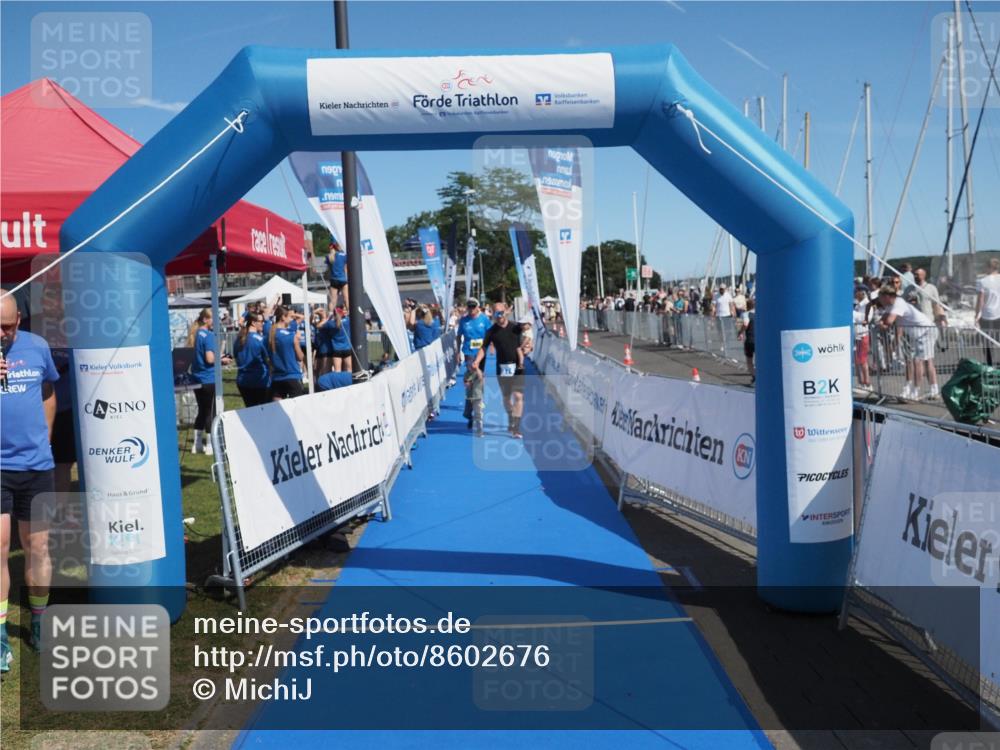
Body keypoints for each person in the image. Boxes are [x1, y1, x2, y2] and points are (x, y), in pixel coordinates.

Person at [1, 290, 58, 668]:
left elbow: (49, 392)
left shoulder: (37, 347)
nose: (0, 334)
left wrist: (45, 439)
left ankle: (39, 622)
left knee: (37, 547)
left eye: (6, 327)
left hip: (36, 466)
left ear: (19, 320)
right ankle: (0, 633)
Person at [473, 302, 526, 438]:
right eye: (496, 313)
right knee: (507, 398)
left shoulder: (516, 328)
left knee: (519, 396)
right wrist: (477, 361)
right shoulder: (491, 331)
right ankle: (510, 416)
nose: (499, 316)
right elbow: (483, 348)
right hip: (503, 368)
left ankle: (516, 427)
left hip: (518, 366)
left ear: (507, 311)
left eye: (501, 312)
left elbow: (525, 341)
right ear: (492, 313)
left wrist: (528, 346)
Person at [877, 284, 938, 400]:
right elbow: (884, 319)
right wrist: (882, 324)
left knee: (918, 361)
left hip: (926, 331)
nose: (880, 301)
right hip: (919, 334)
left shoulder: (898, 303)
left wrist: (883, 325)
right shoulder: (891, 306)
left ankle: (915, 392)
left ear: (887, 296)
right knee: (921, 361)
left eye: (881, 298)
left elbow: (889, 321)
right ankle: (932, 389)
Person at [188, 309, 219, 454]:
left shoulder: (194, 334)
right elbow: (210, 359)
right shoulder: (208, 336)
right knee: (210, 412)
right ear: (206, 319)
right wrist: (221, 359)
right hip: (208, 378)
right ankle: (210, 445)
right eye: (213, 318)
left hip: (197, 378)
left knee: (202, 411)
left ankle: (197, 444)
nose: (215, 321)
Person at [456, 299, 490, 429]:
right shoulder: (464, 321)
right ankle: (474, 410)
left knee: (477, 382)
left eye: (473, 307)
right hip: (469, 353)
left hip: (481, 353)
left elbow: (490, 334)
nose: (471, 309)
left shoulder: (484, 319)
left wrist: (491, 345)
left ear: (478, 307)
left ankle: (470, 412)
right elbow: (458, 336)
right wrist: (457, 352)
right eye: (469, 307)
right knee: (475, 380)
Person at [268, 305, 305, 400]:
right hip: (292, 375)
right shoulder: (291, 336)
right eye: (290, 317)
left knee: (277, 411)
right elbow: (300, 357)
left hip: (276, 377)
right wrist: (297, 340)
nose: (292, 319)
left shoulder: (270, 333)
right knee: (297, 410)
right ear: (283, 317)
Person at [234, 312, 270, 407]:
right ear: (254, 323)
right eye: (261, 321)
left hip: (243, 381)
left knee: (250, 411)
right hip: (259, 381)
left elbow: (235, 356)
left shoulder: (239, 339)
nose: (263, 323)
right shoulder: (260, 340)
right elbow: (268, 359)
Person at [975, 258, 1000, 366]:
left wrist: (976, 315)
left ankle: (990, 364)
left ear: (989, 267)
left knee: (987, 342)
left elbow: (980, 300)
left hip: (987, 315)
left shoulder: (982, 281)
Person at [852, 286, 872, 389]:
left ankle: (867, 383)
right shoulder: (857, 305)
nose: (854, 294)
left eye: (856, 292)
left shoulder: (867, 304)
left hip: (863, 334)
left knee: (863, 360)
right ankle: (861, 382)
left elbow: (867, 318)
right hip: (856, 336)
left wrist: (854, 315)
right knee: (857, 361)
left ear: (861, 293)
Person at [328, 307, 353, 373]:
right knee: (349, 370)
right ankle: (348, 382)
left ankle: (337, 383)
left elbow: (327, 323)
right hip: (347, 348)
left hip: (336, 349)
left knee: (337, 371)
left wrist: (330, 316)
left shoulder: (331, 323)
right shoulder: (347, 321)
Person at [327, 242, 349, 310]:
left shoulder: (329, 256)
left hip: (333, 280)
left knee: (333, 301)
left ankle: (330, 315)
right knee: (346, 298)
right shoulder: (343, 255)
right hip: (342, 279)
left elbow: (329, 269)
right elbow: (345, 268)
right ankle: (349, 314)